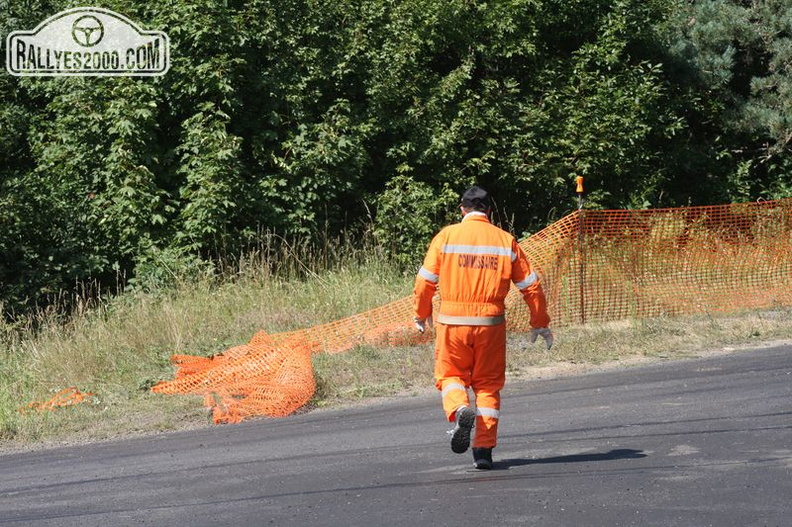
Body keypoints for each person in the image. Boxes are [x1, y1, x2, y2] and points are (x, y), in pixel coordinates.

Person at [413, 185, 553, 470]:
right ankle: (484, 451)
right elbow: (531, 286)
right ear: (488, 211)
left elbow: (425, 281)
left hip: (452, 323)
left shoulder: (446, 237)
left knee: (451, 375)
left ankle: (459, 408)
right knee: (488, 386)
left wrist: (421, 314)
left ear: (462, 209)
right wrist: (540, 323)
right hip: (490, 325)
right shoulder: (505, 240)